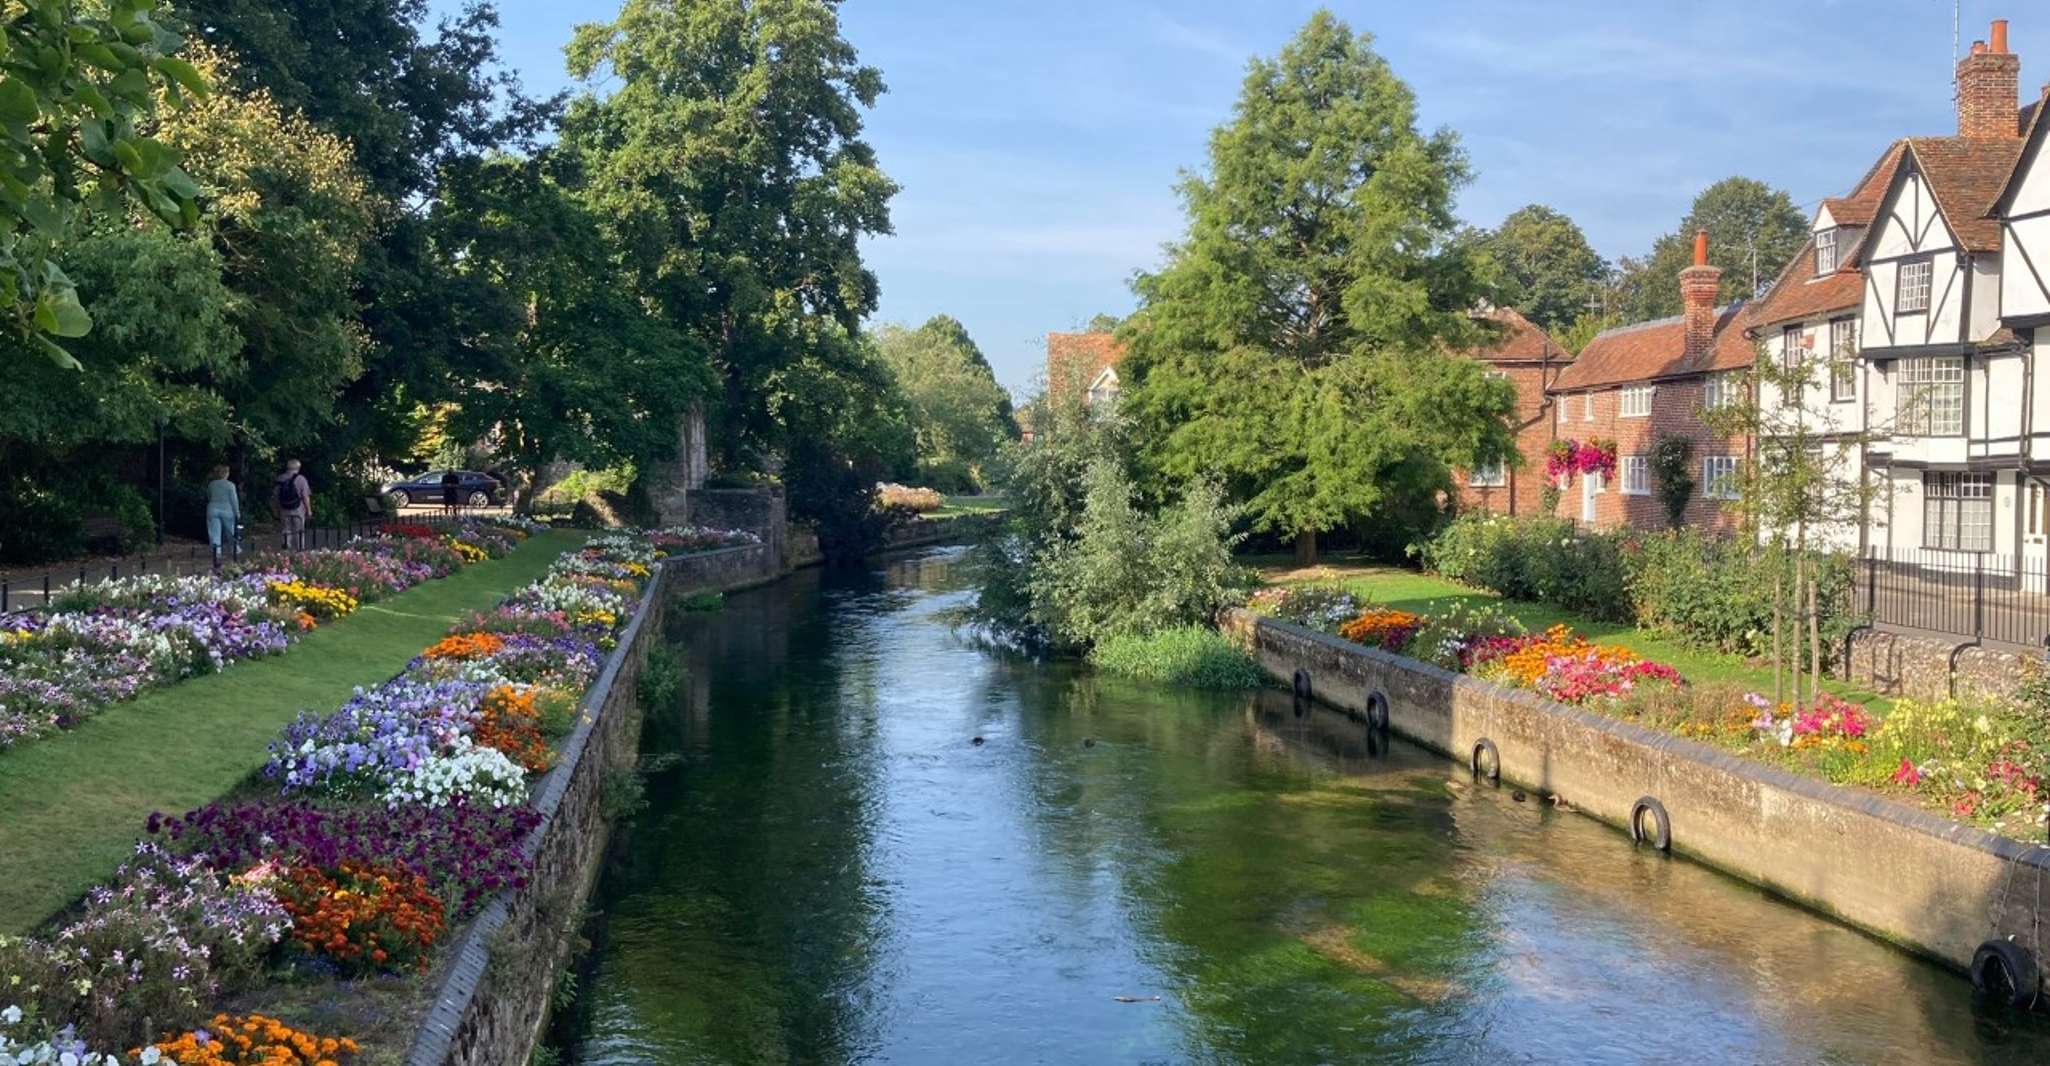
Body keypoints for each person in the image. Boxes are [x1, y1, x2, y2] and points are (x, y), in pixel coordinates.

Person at [204, 465, 240, 571]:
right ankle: (235, 549)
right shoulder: (230, 485)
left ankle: (217, 552)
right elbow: (234, 500)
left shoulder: (211, 485)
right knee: (230, 531)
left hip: (212, 509)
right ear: (226, 474)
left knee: (214, 533)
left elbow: (209, 496)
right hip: (227, 510)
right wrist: (237, 512)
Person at [275, 459, 312, 550]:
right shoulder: (301, 479)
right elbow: (305, 496)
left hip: (284, 509)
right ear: (298, 468)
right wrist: (309, 510)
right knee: (299, 531)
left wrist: (277, 509)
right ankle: (300, 550)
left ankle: (286, 549)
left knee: (286, 530)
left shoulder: (280, 479)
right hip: (298, 509)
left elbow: (276, 496)